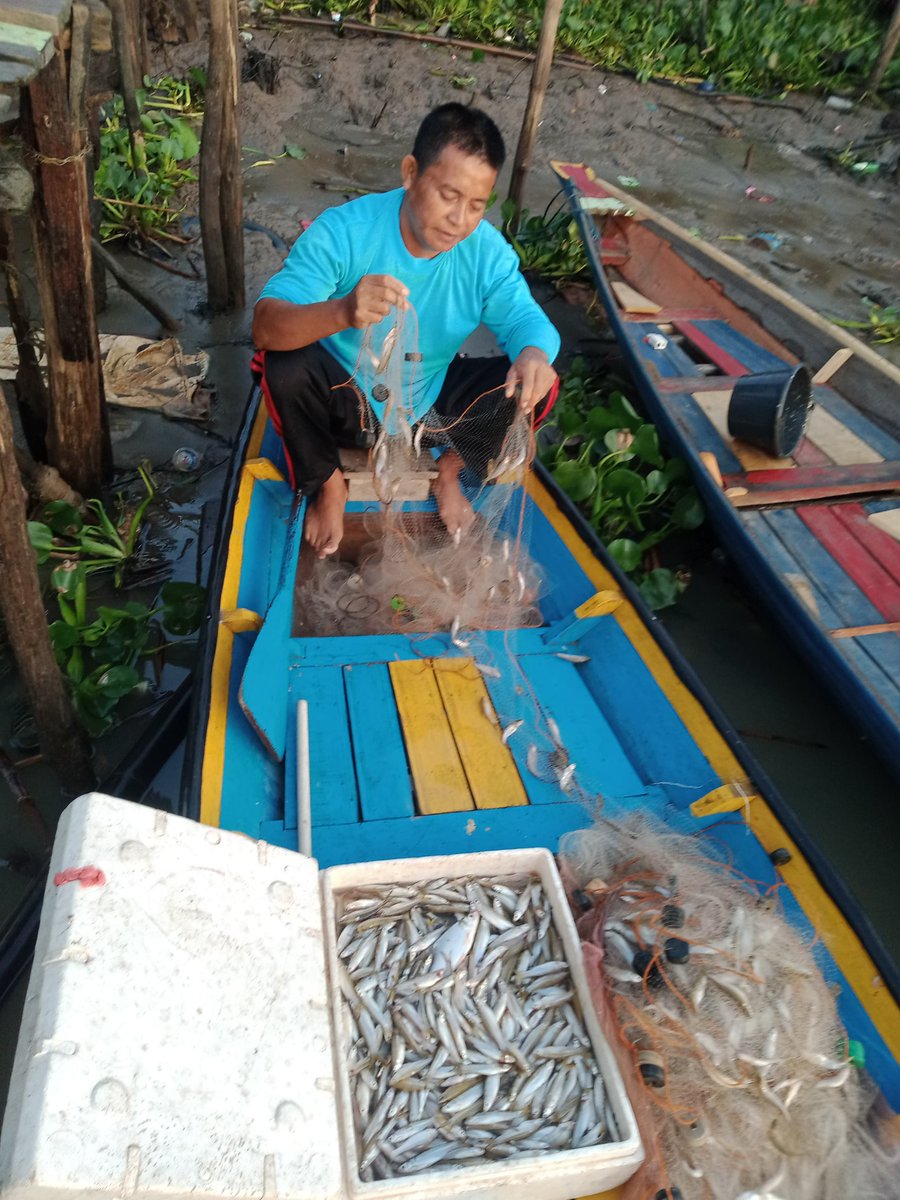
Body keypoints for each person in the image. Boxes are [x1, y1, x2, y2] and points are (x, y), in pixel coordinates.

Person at [252, 102, 560, 559]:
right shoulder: (345, 232)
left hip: (426, 408)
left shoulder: (486, 252)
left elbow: (525, 319)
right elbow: (265, 325)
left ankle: (452, 469)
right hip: (344, 403)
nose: (460, 219)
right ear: (410, 172)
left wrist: (534, 353)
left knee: (541, 382)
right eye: (448, 195)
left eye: (477, 205)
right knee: (281, 361)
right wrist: (341, 311)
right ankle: (327, 484)